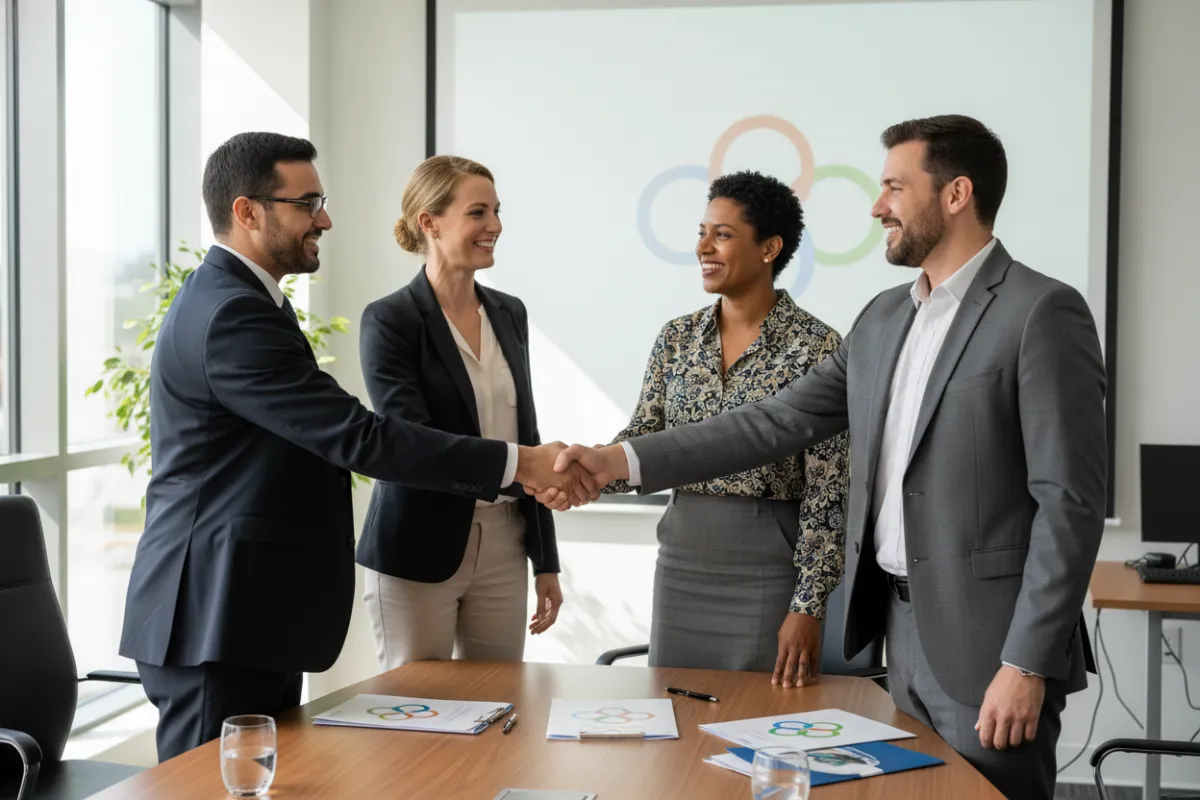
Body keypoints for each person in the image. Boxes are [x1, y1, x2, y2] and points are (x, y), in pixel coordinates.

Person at [547, 115, 1105, 800]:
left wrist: (1027, 661)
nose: (877, 206)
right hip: (903, 638)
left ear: (956, 194)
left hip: (992, 651)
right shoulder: (882, 319)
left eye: (895, 188)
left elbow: (1070, 504)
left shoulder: (1040, 311)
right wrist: (617, 461)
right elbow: (771, 423)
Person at [119, 132, 596, 762]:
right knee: (214, 786)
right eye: (308, 202)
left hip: (248, 611)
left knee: (261, 782)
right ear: (247, 211)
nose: (326, 218)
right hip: (217, 613)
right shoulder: (234, 313)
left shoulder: (247, 302)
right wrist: (520, 462)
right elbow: (358, 436)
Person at [597, 170, 847, 684]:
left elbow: (830, 490)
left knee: (755, 724)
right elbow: (643, 438)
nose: (702, 247)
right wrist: (586, 469)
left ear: (769, 248)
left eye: (723, 234)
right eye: (701, 232)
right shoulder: (677, 338)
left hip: (767, 565)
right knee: (670, 718)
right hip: (682, 556)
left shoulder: (818, 347)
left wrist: (809, 605)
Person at [356, 156, 563, 669]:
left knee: (500, 708)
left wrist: (546, 561)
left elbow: (528, 435)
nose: (495, 226)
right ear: (429, 222)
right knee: (415, 711)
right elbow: (409, 441)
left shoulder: (509, 312)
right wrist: (516, 465)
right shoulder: (390, 320)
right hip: (417, 546)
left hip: (506, 541)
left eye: (496, 211)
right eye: (478, 212)